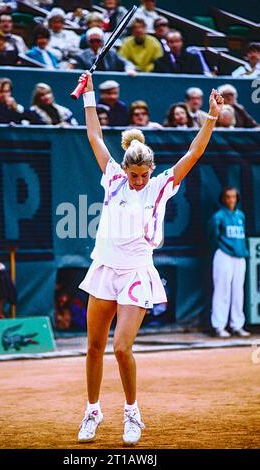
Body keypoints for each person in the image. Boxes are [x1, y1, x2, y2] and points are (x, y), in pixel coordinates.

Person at [76, 70, 224, 445]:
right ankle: (92, 411)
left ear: (151, 171)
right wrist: (89, 95)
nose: (139, 180)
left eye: (144, 175)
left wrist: (210, 116)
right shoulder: (112, 178)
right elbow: (94, 134)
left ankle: (132, 414)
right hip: (105, 270)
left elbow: (194, 152)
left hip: (137, 273)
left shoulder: (160, 188)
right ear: (124, 169)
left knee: (121, 347)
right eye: (134, 174)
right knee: (93, 347)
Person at [208, 187, 251, 338]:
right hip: (224, 255)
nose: (231, 200)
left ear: (237, 198)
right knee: (222, 290)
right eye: (228, 197)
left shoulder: (241, 216)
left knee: (238, 291)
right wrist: (222, 247)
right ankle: (219, 326)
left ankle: (237, 325)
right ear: (223, 199)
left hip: (239, 257)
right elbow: (212, 236)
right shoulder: (218, 216)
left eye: (233, 197)